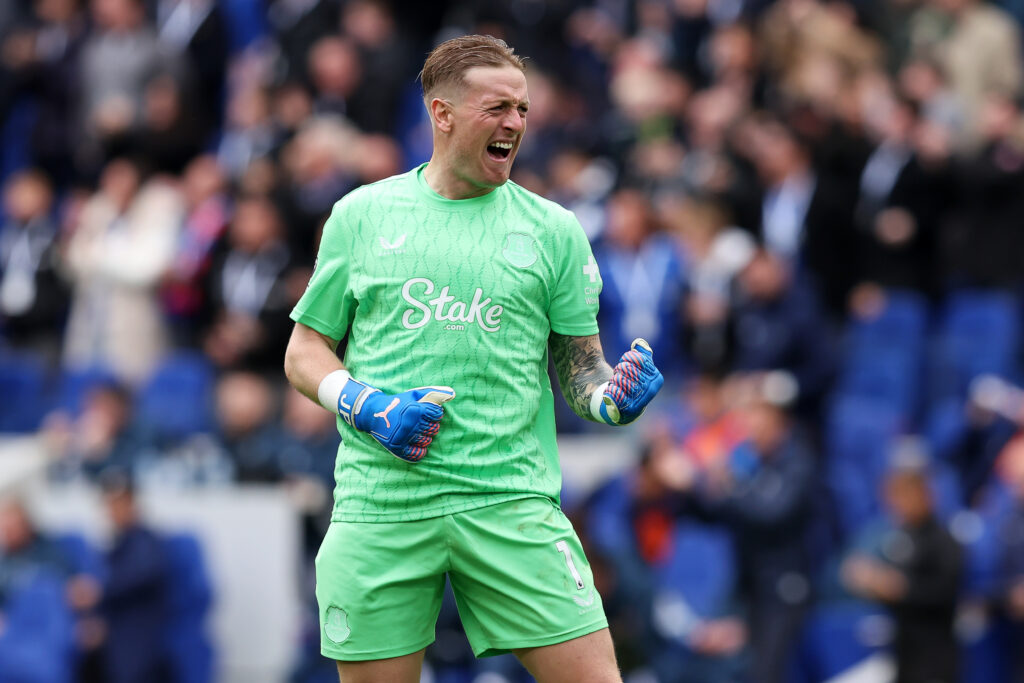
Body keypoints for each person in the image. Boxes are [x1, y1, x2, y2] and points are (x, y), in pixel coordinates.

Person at [283, 34, 664, 683]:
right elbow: (305, 349)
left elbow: (581, 368)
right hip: (384, 505)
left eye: (521, 109)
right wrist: (365, 404)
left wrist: (609, 396)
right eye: (497, 108)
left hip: (509, 502)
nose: (514, 123)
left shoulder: (553, 231)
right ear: (442, 113)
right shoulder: (362, 215)